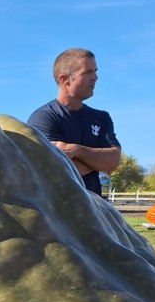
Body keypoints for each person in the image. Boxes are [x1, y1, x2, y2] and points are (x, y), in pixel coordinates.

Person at [27, 48, 121, 196]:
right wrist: (96, 162)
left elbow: (113, 161)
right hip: (60, 206)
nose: (95, 77)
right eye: (88, 72)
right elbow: (55, 169)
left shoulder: (101, 118)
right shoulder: (43, 118)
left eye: (95, 71)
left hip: (96, 207)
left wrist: (77, 150)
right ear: (64, 79)